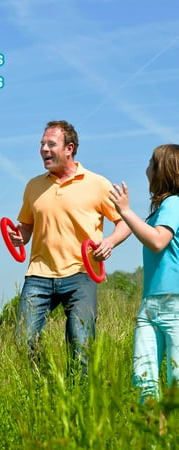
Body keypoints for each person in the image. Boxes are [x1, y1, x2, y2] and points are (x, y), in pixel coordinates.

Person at [10, 120, 130, 373]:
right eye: (42, 144)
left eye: (51, 144)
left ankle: (78, 400)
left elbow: (125, 222)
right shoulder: (33, 185)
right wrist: (20, 237)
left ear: (69, 148)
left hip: (81, 274)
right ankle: (48, 386)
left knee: (81, 346)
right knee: (23, 340)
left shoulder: (96, 183)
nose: (44, 149)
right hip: (39, 275)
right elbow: (26, 226)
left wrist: (109, 242)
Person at [109, 144, 179, 405]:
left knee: (176, 381)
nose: (146, 168)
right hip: (150, 305)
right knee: (144, 378)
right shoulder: (161, 209)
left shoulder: (174, 203)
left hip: (174, 304)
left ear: (163, 170)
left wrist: (126, 212)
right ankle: (153, 439)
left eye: (151, 163)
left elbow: (158, 241)